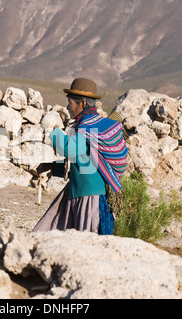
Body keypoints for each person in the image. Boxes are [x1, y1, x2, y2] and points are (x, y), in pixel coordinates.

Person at [33, 78, 128, 235]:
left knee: (86, 239)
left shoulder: (88, 126)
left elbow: (69, 149)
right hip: (78, 191)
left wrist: (53, 129)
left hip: (90, 197)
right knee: (48, 230)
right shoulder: (88, 125)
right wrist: (52, 166)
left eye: (70, 102)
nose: (67, 107)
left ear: (82, 103)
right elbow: (82, 159)